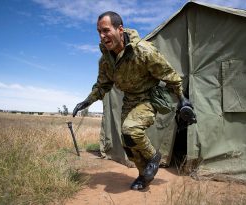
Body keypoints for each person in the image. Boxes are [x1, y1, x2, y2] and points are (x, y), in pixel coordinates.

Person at [73, 11, 193, 190]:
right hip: (129, 100)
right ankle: (143, 175)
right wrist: (87, 101)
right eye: (99, 32)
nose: (102, 36)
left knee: (131, 128)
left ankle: (153, 157)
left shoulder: (143, 50)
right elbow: (102, 85)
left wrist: (183, 100)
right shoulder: (106, 61)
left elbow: (169, 75)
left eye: (106, 30)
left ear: (120, 29)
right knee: (128, 142)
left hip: (149, 97)